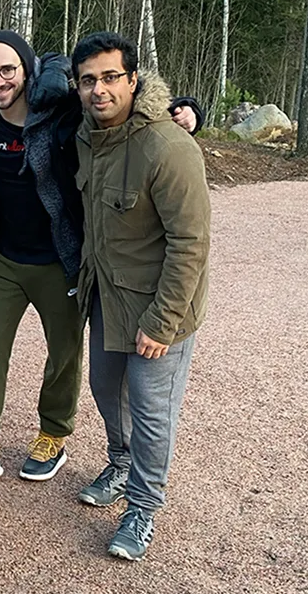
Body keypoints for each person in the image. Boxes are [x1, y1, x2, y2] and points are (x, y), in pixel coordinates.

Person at [0, 31, 203, 485]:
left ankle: (53, 435)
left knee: (63, 354)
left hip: (61, 259)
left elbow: (123, 106)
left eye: (8, 70)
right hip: (6, 257)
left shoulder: (63, 114)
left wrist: (190, 107)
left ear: (27, 70)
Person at [72, 31, 210, 561]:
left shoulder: (169, 146)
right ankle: (120, 463)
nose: (99, 90)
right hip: (108, 297)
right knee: (107, 389)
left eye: (111, 78)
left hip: (160, 308)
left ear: (134, 80)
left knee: (152, 409)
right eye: (88, 80)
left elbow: (191, 243)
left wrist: (163, 320)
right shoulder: (88, 135)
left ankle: (143, 507)